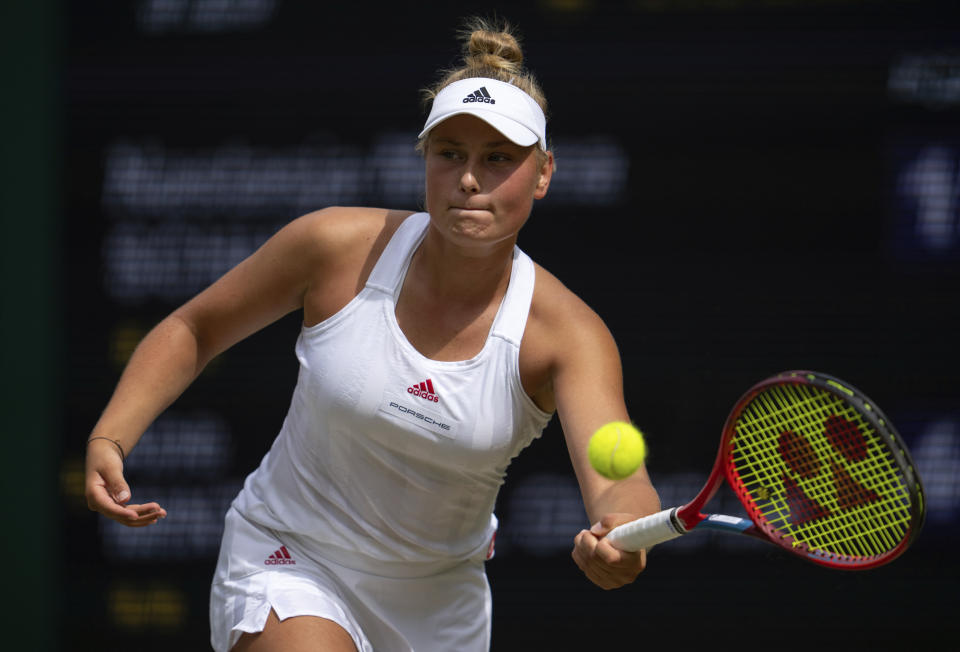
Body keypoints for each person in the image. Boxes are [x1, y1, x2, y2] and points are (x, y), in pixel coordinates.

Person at [85, 16, 661, 652]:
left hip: (440, 607)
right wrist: (112, 435)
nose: (470, 179)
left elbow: (618, 471)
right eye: (451, 155)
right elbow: (195, 328)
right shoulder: (331, 245)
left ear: (544, 173)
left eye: (499, 158)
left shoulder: (570, 336)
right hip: (290, 556)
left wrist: (625, 533)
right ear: (426, 162)